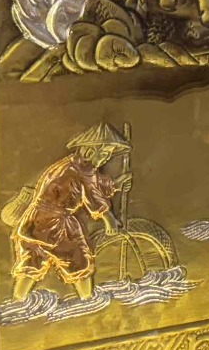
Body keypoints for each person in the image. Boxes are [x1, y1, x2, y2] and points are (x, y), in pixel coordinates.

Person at [9, 123, 131, 301]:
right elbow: (93, 195)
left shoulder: (71, 165)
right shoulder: (82, 169)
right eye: (104, 154)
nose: (106, 159)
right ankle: (87, 300)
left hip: (34, 220)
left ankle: (17, 301)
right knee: (78, 259)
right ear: (90, 152)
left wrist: (116, 184)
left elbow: (93, 184)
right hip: (56, 223)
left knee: (32, 260)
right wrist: (109, 219)